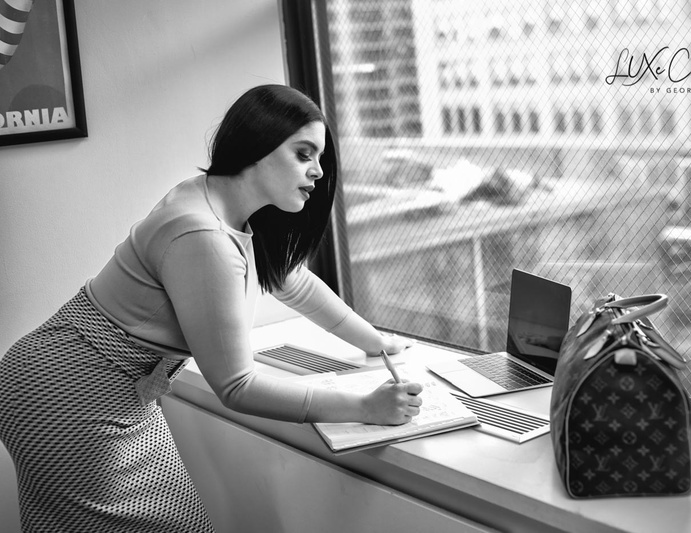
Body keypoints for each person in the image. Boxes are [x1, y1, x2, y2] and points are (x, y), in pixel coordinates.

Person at [0, 84, 422, 533]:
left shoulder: (225, 205)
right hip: (66, 391)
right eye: (304, 154)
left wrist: (376, 343)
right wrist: (364, 406)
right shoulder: (204, 236)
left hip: (103, 385)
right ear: (258, 147)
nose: (318, 171)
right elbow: (237, 386)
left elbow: (291, 283)